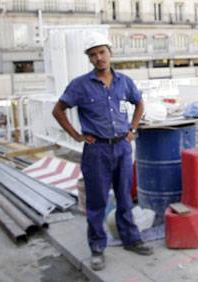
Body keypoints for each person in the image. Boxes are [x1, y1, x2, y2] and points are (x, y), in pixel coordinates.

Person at [52, 32, 153, 271]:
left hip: (122, 147)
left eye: (102, 52)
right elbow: (58, 110)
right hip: (96, 150)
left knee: (125, 197)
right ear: (89, 59)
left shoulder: (124, 82)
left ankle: (131, 238)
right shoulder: (80, 85)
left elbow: (139, 103)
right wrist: (76, 135)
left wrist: (133, 128)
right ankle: (97, 247)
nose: (99, 58)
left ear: (110, 53)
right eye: (93, 54)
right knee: (96, 201)